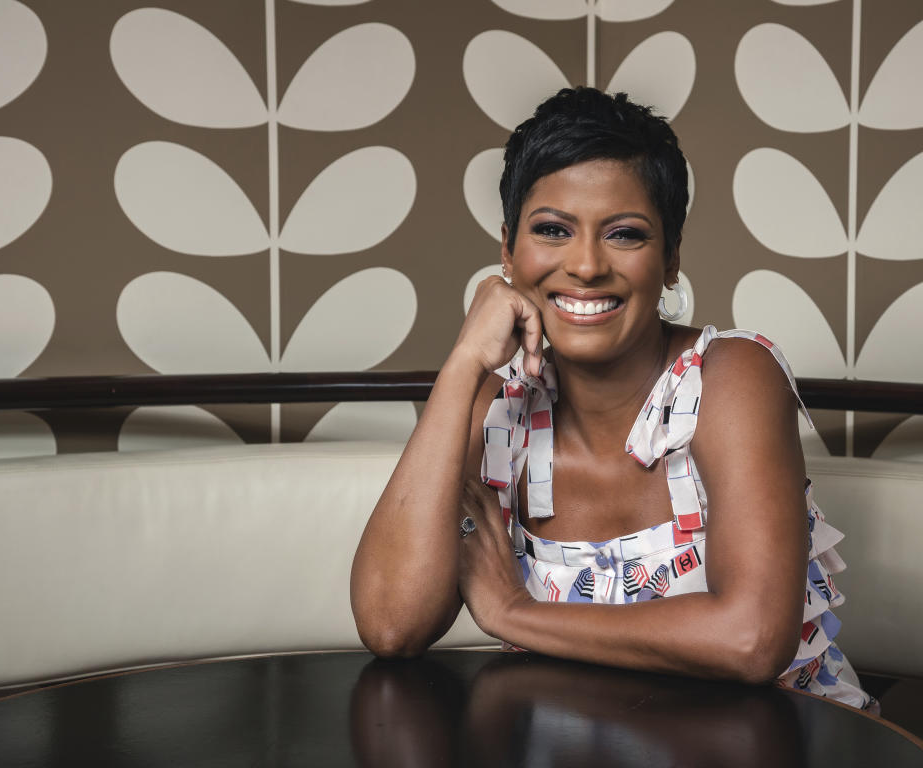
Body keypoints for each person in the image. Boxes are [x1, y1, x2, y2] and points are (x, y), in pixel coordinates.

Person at [350, 87, 873, 709]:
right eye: (551, 230)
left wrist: (510, 612)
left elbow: (751, 640)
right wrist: (463, 364)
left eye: (624, 234)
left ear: (671, 258)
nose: (587, 265)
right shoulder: (497, 407)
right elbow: (390, 625)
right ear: (508, 251)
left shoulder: (732, 376)